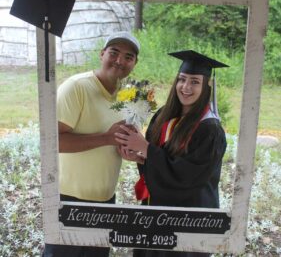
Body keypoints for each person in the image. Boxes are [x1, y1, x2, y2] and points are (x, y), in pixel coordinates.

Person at [115, 50, 228, 257]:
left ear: (206, 87)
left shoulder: (210, 129)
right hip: (157, 210)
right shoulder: (163, 115)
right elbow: (159, 158)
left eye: (195, 82)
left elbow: (188, 177)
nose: (186, 87)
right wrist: (140, 157)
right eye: (182, 79)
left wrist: (147, 149)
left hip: (189, 218)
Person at [42, 31, 140, 257]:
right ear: (102, 54)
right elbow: (52, 142)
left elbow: (120, 141)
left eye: (128, 56)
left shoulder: (128, 96)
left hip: (106, 201)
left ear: (134, 63)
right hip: (69, 201)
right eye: (114, 53)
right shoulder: (76, 87)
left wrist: (129, 149)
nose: (120, 60)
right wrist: (106, 137)